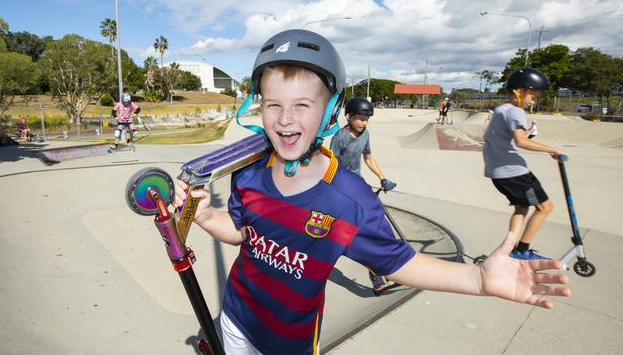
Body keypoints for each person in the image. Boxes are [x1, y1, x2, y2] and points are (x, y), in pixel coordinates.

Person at [174, 31, 569, 355]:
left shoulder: (350, 200)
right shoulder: (248, 175)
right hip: (233, 319)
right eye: (272, 104)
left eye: (303, 104)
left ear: (330, 110)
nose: (286, 118)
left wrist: (477, 279)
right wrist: (208, 216)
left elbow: (402, 263)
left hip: (288, 344)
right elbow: (242, 232)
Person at [483, 67, 566, 260]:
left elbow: (505, 139)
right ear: (520, 92)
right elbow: (522, 142)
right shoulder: (515, 111)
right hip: (515, 174)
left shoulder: (500, 110)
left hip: (499, 174)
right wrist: (553, 150)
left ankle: (509, 249)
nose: (533, 102)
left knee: (521, 208)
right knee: (545, 207)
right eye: (533, 96)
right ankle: (522, 250)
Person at [330, 96, 397, 294]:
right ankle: (377, 277)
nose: (363, 123)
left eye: (367, 119)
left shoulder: (365, 134)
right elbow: (331, 165)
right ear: (349, 116)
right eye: (360, 118)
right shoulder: (340, 137)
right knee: (356, 232)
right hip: (342, 187)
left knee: (378, 219)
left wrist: (383, 178)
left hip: (358, 185)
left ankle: (387, 266)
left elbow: (368, 157)